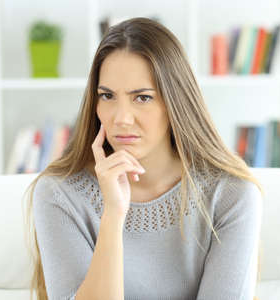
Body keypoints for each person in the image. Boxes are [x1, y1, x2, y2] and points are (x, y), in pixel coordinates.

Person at [24, 17, 263, 300]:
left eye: (143, 98)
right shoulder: (58, 193)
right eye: (107, 96)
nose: (121, 119)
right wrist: (112, 215)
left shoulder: (231, 196)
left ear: (175, 102)